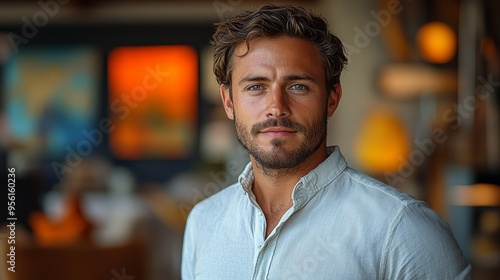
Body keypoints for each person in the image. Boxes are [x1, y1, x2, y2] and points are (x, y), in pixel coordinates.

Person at [182, 4, 473, 279]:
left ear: (332, 99)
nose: (276, 106)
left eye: (298, 86)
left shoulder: (403, 228)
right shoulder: (204, 221)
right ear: (229, 101)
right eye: (256, 87)